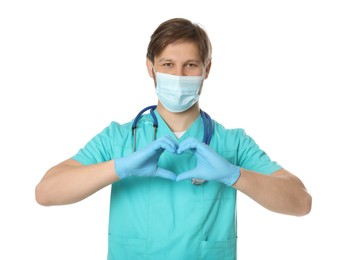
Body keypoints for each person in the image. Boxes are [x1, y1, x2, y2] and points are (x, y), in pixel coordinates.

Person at [35, 18, 312, 259]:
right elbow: (46, 192)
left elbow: (301, 202)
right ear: (150, 68)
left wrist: (234, 175)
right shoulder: (120, 138)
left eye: (190, 65)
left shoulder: (232, 143)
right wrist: (119, 168)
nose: (178, 75)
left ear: (207, 69)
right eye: (168, 64)